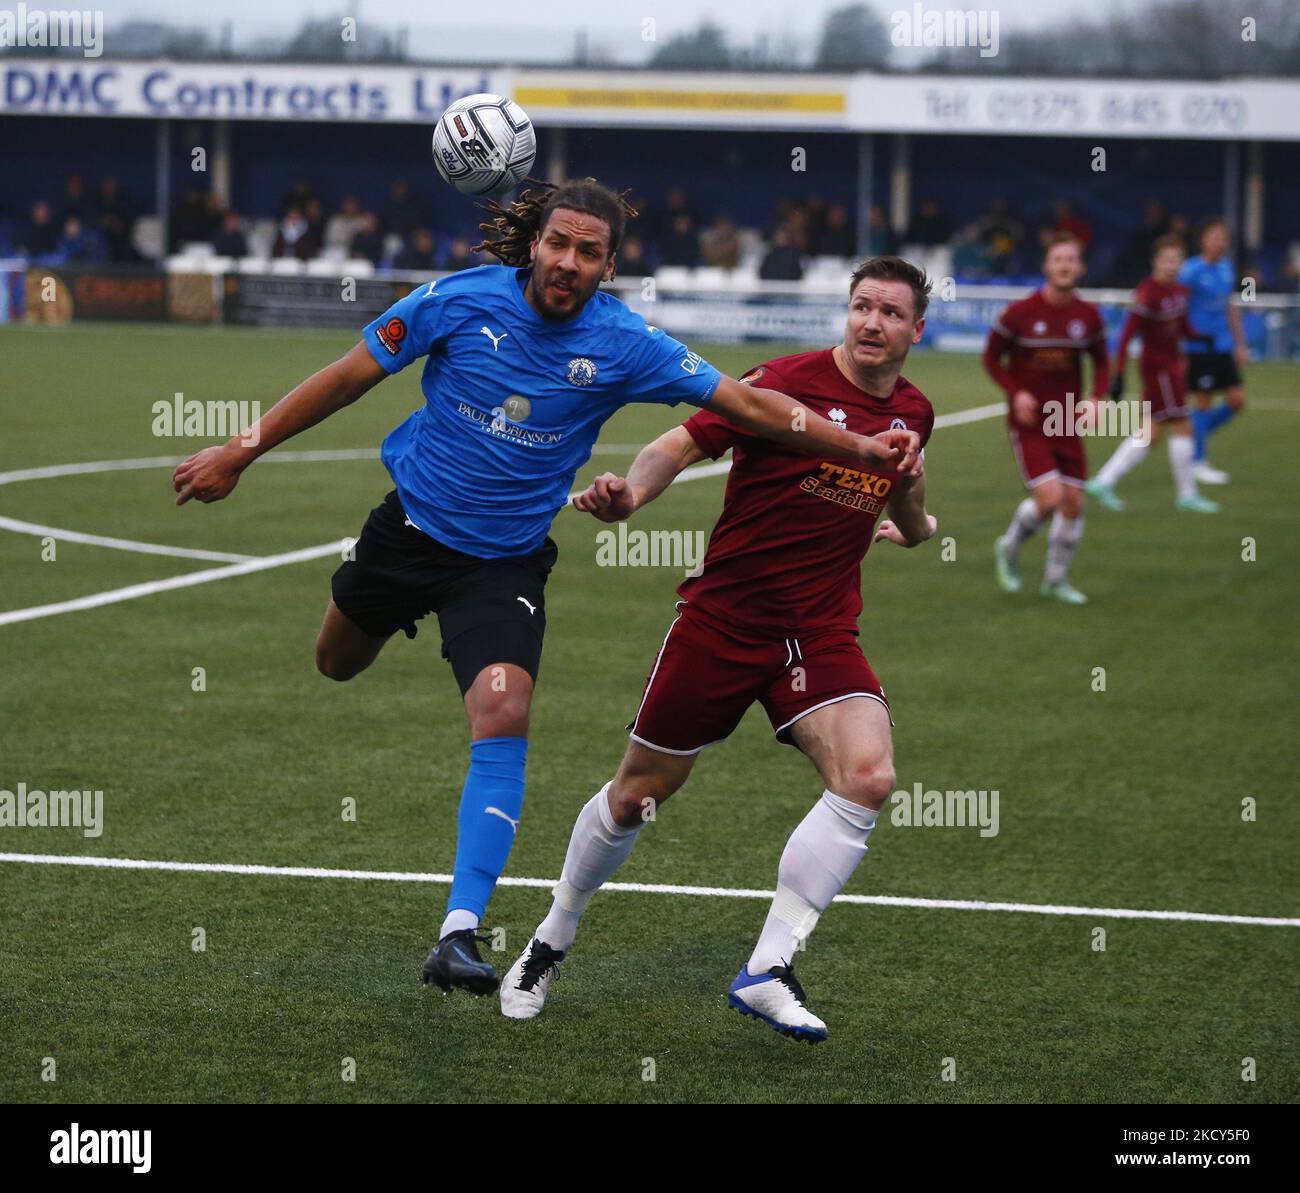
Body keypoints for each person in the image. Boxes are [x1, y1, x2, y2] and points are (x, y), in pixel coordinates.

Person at [170, 178, 920, 999]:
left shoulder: (626, 342)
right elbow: (348, 375)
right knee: (336, 661)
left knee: (504, 711)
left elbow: (746, 404)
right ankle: (398, 622)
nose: (568, 262)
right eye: (558, 243)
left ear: (608, 266)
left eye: (588, 252)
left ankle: (459, 931)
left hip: (503, 564)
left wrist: (863, 454)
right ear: (534, 244)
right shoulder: (454, 301)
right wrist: (241, 449)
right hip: (407, 533)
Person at [500, 256, 935, 1041]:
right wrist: (631, 494)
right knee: (638, 794)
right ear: (846, 311)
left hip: (820, 629)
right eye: (862, 306)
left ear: (917, 329)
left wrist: (918, 520)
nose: (873, 323)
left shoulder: (915, 408)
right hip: (725, 620)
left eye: (892, 313)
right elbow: (678, 442)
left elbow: (903, 481)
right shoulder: (782, 382)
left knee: (868, 776)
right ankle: (551, 937)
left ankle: (768, 968)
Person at [985, 233, 1108, 605]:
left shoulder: (1088, 317)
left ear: (1081, 267)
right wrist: (1015, 392)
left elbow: (1102, 362)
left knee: (1074, 502)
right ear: (1047, 267)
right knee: (1051, 496)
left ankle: (1055, 580)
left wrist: (1095, 397)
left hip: (1066, 419)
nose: (1066, 266)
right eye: (1059, 260)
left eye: (1072, 260)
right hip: (1030, 421)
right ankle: (1009, 546)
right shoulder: (1019, 313)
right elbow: (992, 359)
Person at [1085, 236, 1219, 514]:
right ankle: (1186, 495)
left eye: (1176, 260)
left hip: (1172, 368)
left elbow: (1181, 327)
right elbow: (1125, 336)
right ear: (1155, 261)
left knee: (1152, 433)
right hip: (1157, 369)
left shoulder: (1179, 291)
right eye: (1166, 259)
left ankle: (1102, 481)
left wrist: (1201, 338)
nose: (1172, 265)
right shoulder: (1148, 293)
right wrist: (1118, 372)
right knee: (1183, 426)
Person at [1180, 218, 1247, 485]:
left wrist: (1240, 344)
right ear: (1203, 240)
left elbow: (1230, 306)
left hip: (1222, 346)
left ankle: (1196, 433)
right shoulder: (1191, 270)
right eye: (1214, 237)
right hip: (1198, 347)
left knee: (1237, 400)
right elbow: (1179, 306)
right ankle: (1198, 461)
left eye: (1223, 238)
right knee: (1203, 401)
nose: (1219, 242)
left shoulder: (1227, 269)